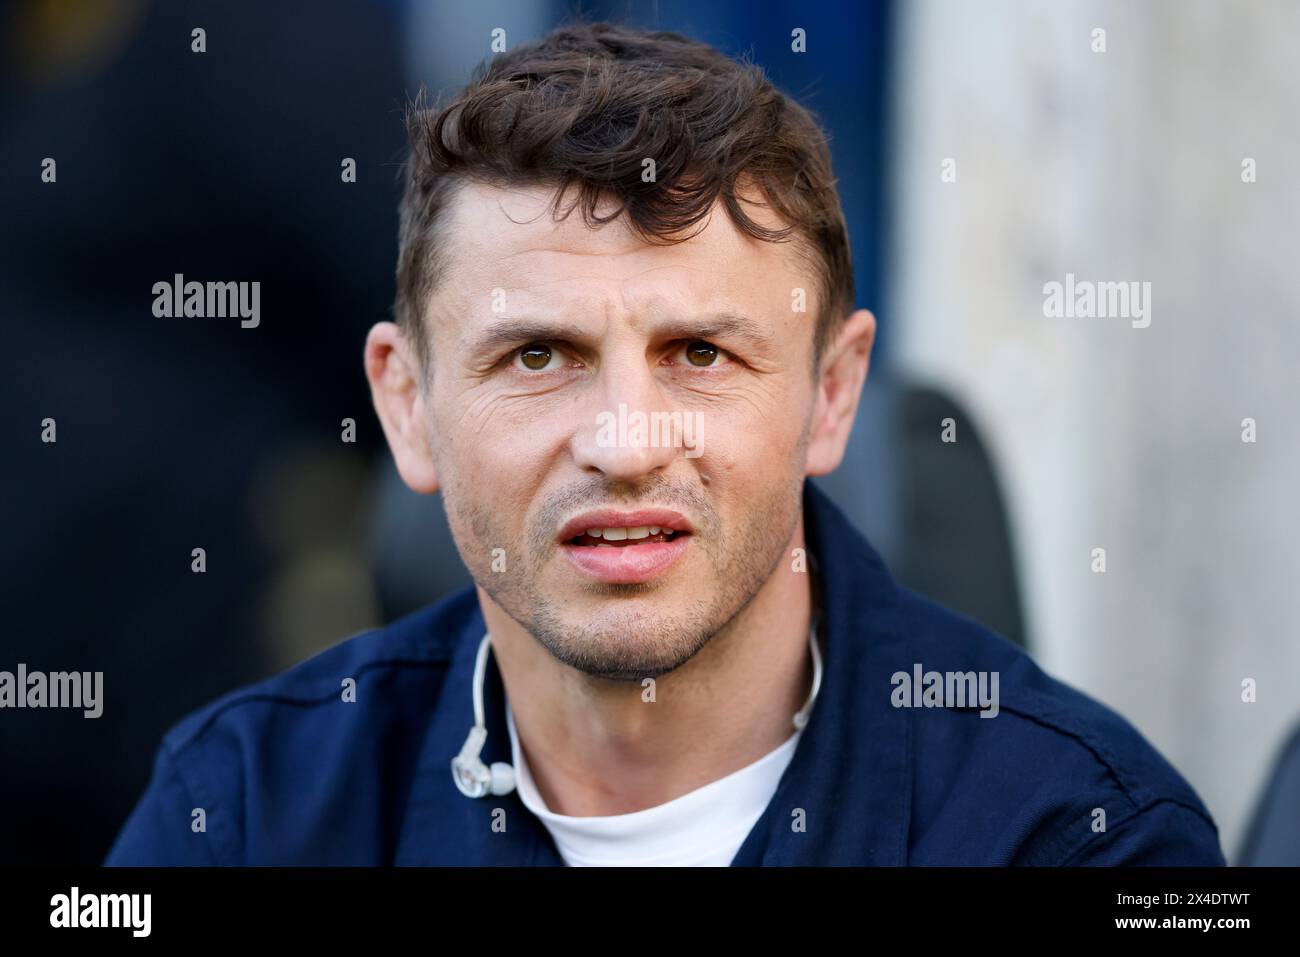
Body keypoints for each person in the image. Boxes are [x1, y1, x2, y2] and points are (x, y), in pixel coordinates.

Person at [105, 21, 1225, 866]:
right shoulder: (241, 809)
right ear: (406, 405)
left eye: (700, 353)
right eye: (538, 357)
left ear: (831, 397)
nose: (625, 443)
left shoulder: (1089, 838)